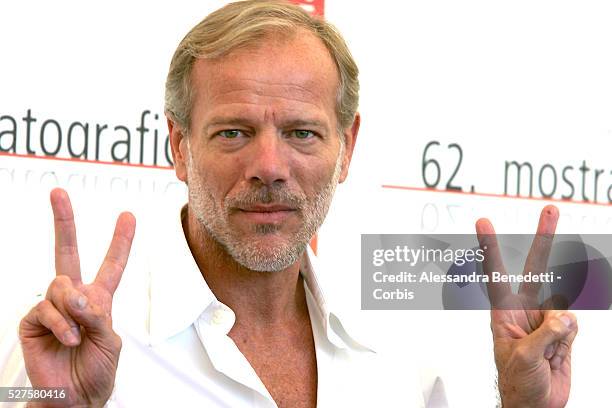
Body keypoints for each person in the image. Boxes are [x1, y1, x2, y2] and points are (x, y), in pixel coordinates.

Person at [1, 1, 578, 407]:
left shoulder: (401, 351)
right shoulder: (66, 340)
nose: (270, 168)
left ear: (346, 148)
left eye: (303, 133)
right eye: (233, 132)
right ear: (178, 147)